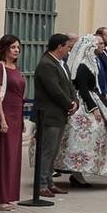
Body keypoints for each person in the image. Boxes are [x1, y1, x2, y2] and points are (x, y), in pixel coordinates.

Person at [57, 32, 107, 184]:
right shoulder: (82, 66)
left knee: (104, 131)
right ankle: (77, 171)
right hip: (85, 101)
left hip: (94, 97)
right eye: (96, 45)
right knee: (82, 135)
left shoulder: (91, 63)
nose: (100, 47)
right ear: (89, 48)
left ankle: (92, 167)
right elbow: (83, 89)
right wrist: (93, 108)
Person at [34, 34, 80, 195]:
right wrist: (69, 104)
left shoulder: (62, 63)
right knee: (47, 151)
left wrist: (75, 101)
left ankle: (49, 181)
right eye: (68, 47)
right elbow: (54, 89)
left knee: (54, 151)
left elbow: (69, 86)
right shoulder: (46, 64)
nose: (69, 50)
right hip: (49, 115)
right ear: (59, 47)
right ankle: (41, 184)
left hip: (60, 114)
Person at [0, 34, 26, 209]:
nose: (16, 50)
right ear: (4, 49)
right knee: (2, 156)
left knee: (13, 158)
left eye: (18, 47)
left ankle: (8, 195)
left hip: (16, 116)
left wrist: (22, 120)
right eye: (12, 47)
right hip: (5, 116)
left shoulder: (16, 68)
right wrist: (2, 119)